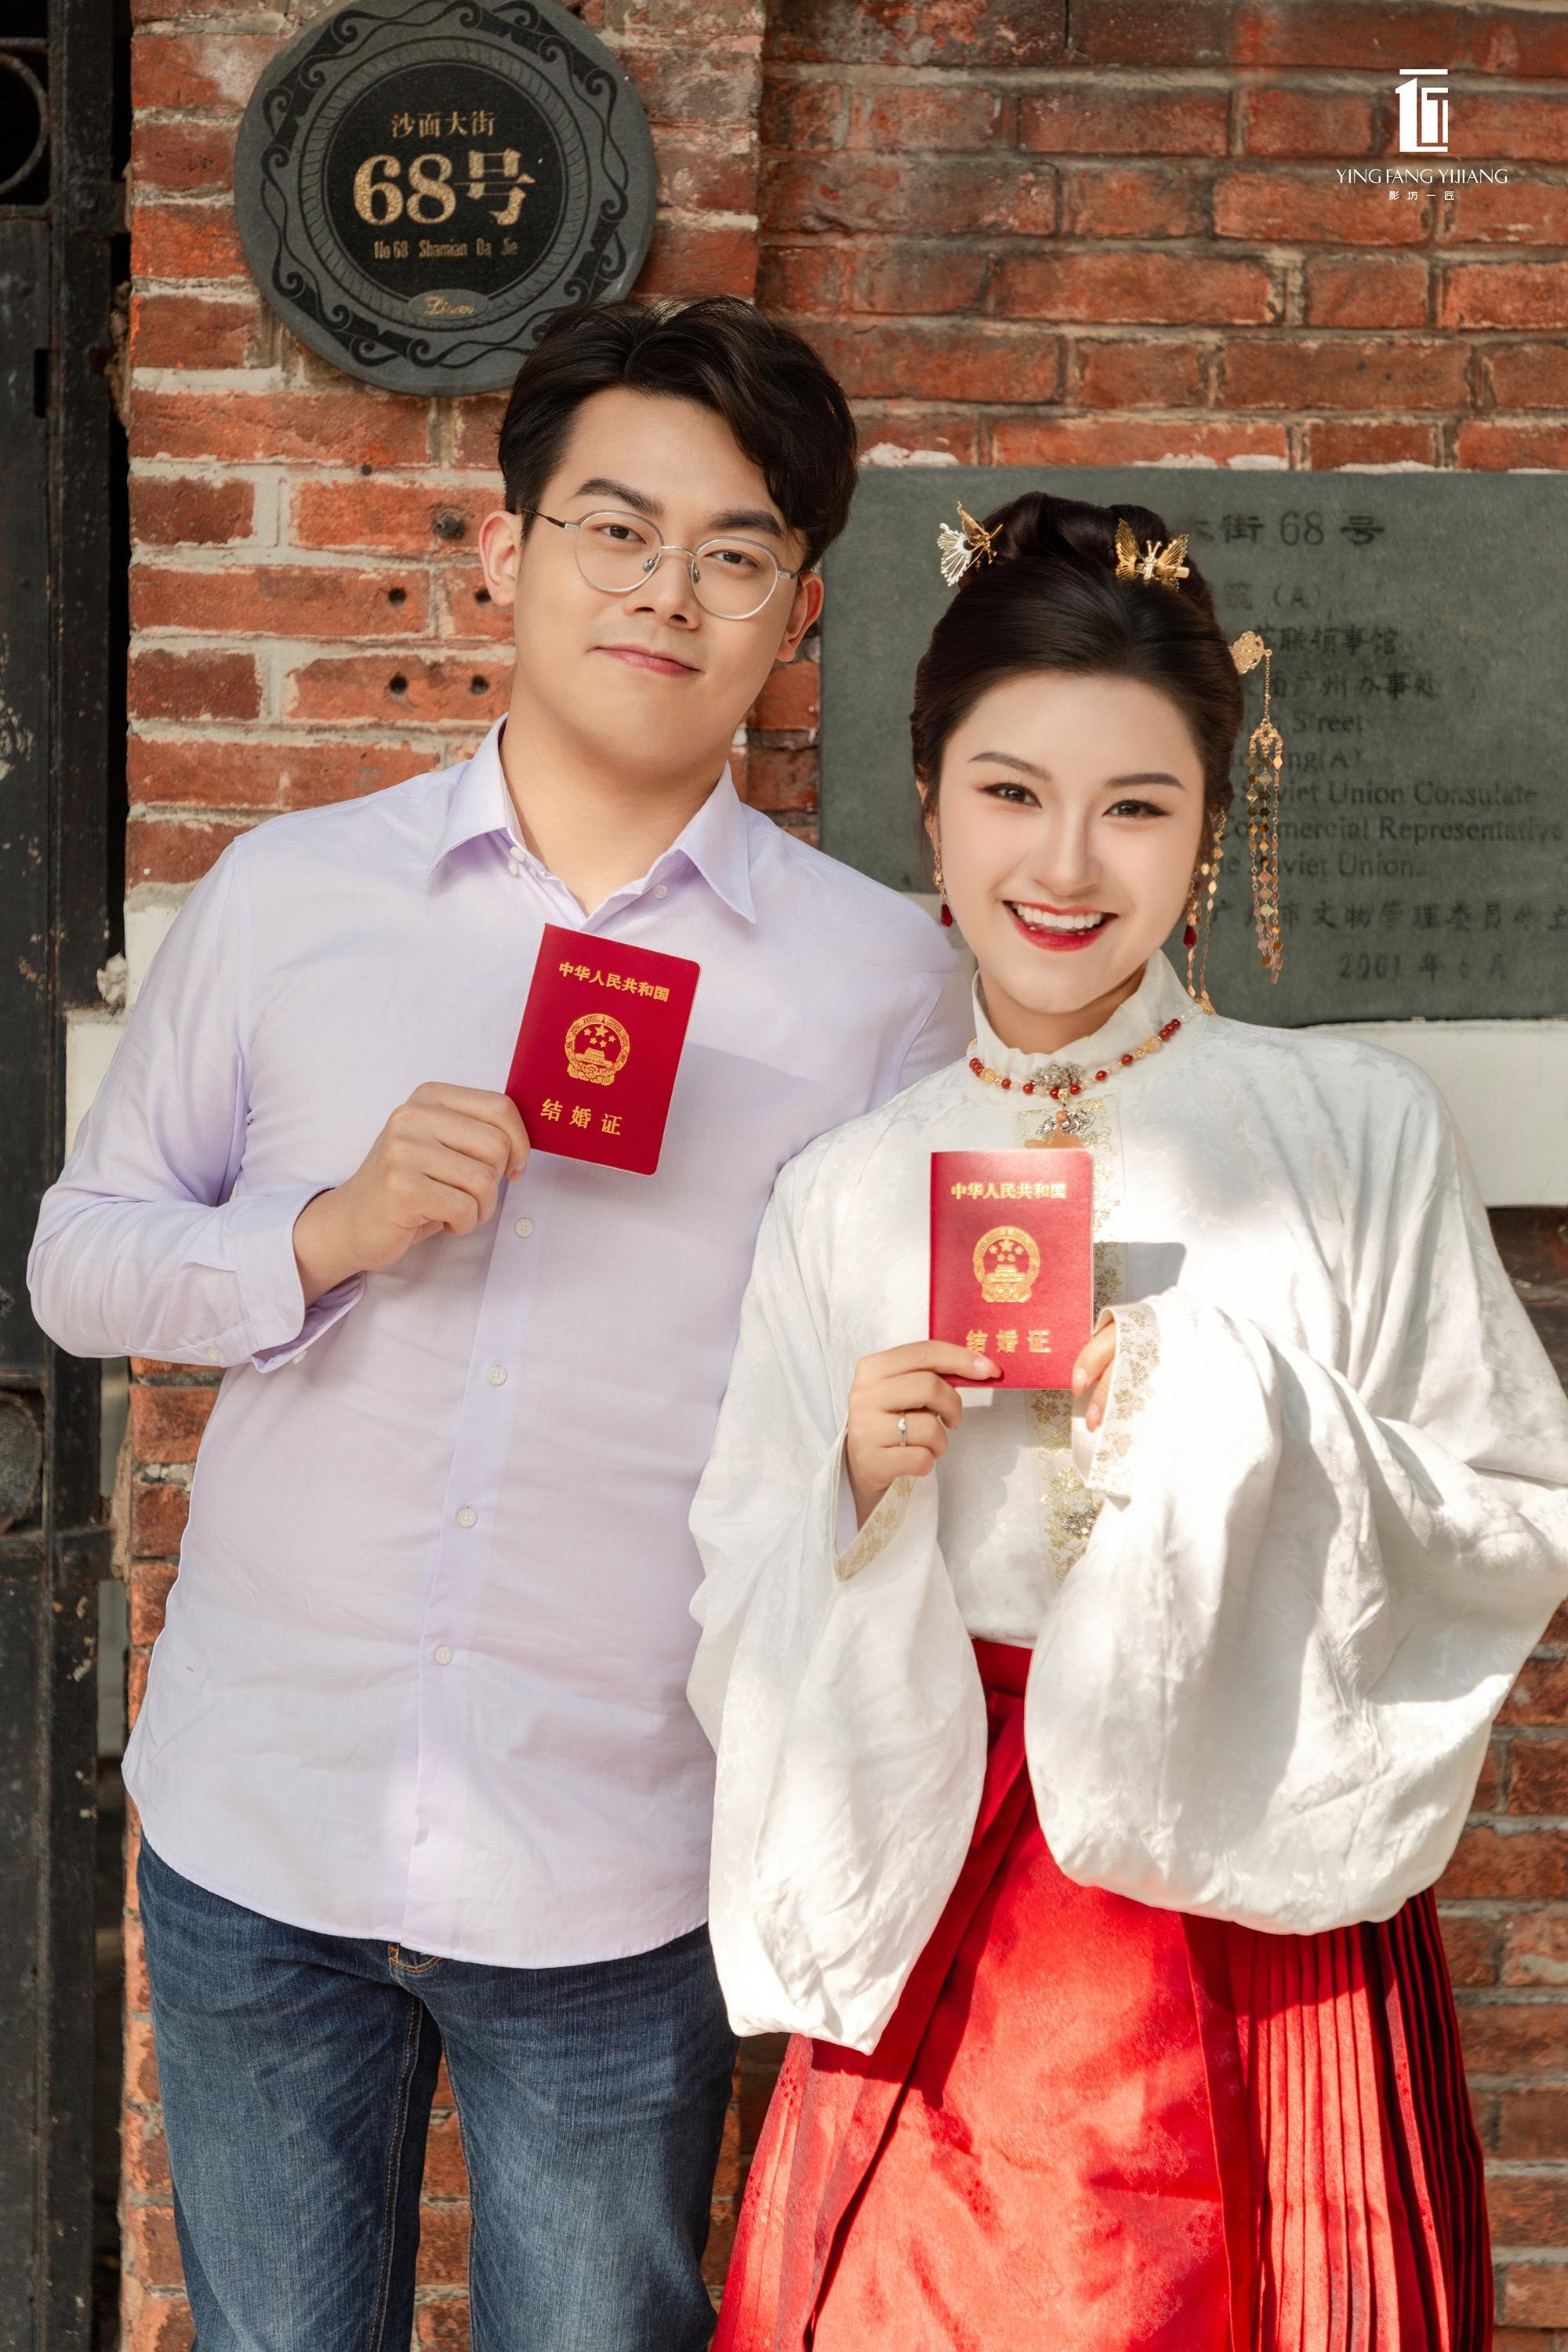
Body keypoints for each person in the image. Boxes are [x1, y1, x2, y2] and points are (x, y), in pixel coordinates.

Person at [27, 296, 969, 2352]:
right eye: (616, 530)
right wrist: (326, 1231)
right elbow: (78, 1263)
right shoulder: (291, 897)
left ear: (797, 613)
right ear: (505, 551)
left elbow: (908, 1398)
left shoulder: (880, 987)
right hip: (263, 1824)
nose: (666, 592)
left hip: (621, 1853)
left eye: (733, 555)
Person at [688, 489, 1568, 2352]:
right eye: (1010, 792)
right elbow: (732, 1569)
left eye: (1137, 805)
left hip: (1261, 1878)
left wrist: (1232, 1405)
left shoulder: (1349, 1131)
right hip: (949, 1861)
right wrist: (850, 1484)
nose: (1066, 863)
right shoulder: (845, 1189)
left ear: (1211, 825)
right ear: (927, 803)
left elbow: (1508, 1510)